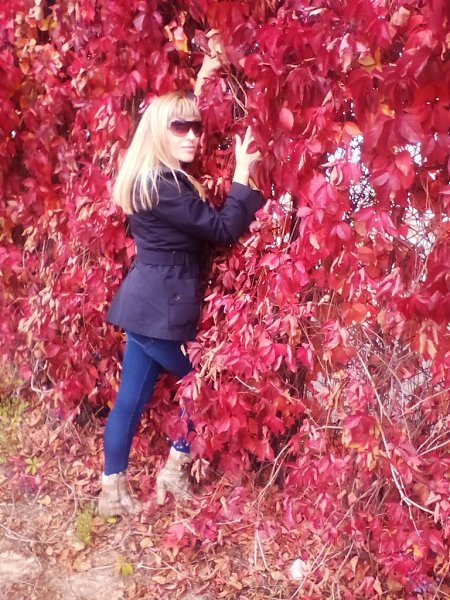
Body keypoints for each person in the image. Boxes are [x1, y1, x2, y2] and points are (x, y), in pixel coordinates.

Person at [98, 45, 264, 518]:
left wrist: (204, 75)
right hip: (161, 312)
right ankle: (174, 468)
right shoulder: (164, 186)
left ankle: (113, 491)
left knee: (129, 399)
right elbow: (220, 230)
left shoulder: (149, 173)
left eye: (197, 125)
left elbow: (172, 119)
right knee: (201, 389)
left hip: (145, 305)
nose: (193, 135)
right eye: (182, 128)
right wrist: (242, 177)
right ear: (161, 133)